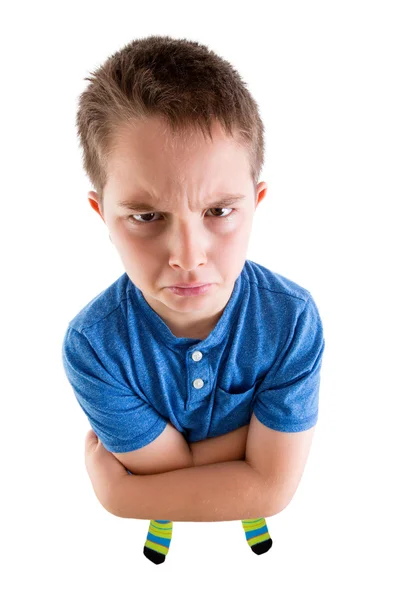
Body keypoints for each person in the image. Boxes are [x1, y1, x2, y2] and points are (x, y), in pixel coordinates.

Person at [62, 34, 325, 565]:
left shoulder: (290, 319)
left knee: (228, 498)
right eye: (146, 216)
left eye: (219, 212)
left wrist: (121, 497)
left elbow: (273, 491)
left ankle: (158, 513)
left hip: (147, 487)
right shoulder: (93, 346)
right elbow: (174, 469)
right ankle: (176, 515)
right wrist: (252, 457)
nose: (187, 255)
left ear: (256, 202)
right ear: (102, 214)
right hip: (199, 466)